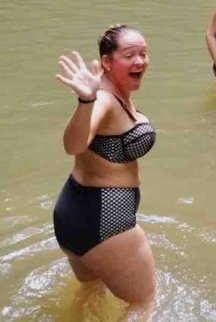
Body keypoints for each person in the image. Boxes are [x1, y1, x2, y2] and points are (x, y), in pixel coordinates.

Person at [52, 25, 157, 308]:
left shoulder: (115, 96)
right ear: (107, 63)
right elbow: (74, 146)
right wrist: (85, 100)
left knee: (91, 292)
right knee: (144, 303)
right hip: (107, 219)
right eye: (129, 55)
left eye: (143, 54)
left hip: (72, 215)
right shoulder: (102, 100)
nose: (140, 61)